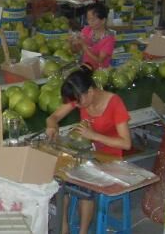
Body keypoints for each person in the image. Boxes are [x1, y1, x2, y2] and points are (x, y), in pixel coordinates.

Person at [46, 68, 131, 234]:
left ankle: (83, 231)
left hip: (110, 158)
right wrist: (51, 126)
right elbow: (53, 117)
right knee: (59, 181)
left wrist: (94, 135)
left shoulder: (115, 103)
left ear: (90, 91)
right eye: (74, 103)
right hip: (88, 154)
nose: (76, 106)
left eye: (78, 102)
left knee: (84, 187)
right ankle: (63, 229)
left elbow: (126, 143)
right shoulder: (80, 97)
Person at [71, 3, 115, 70]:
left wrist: (84, 46)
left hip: (100, 72)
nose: (90, 22)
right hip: (86, 68)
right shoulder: (86, 30)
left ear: (103, 20)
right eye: (88, 19)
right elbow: (76, 51)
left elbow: (100, 60)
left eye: (93, 20)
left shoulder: (109, 39)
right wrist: (73, 43)